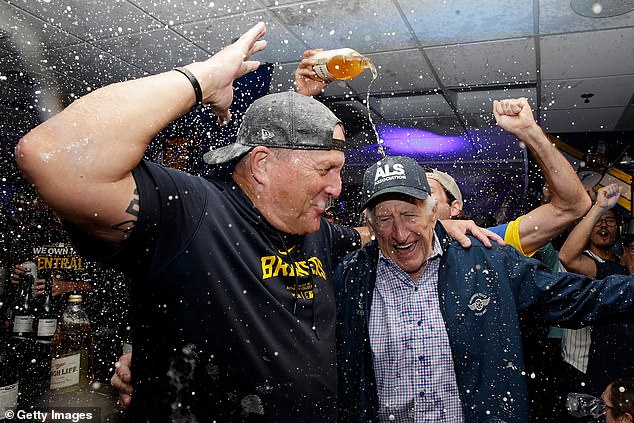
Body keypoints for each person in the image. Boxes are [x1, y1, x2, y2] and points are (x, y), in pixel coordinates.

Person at [16, 23, 498, 421]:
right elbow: (51, 158)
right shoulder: (191, 213)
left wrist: (438, 226)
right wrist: (202, 79)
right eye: (326, 170)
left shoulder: (318, 232)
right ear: (263, 165)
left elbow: (376, 234)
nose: (337, 189)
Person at [334, 155, 634, 422]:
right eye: (385, 219)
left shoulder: (485, 259)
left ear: (431, 211)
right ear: (370, 224)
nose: (400, 233)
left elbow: (576, 297)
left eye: (410, 214)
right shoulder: (352, 278)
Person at [426, 100, 591, 257]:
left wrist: (530, 132)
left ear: (454, 208)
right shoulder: (400, 246)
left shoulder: (481, 242)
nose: (417, 199)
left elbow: (572, 206)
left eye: (428, 191)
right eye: (407, 195)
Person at [558, 183, 634, 401]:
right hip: (600, 379)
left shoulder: (617, 270)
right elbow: (568, 257)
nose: (604, 226)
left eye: (609, 221)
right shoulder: (605, 273)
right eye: (599, 222)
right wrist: (598, 208)